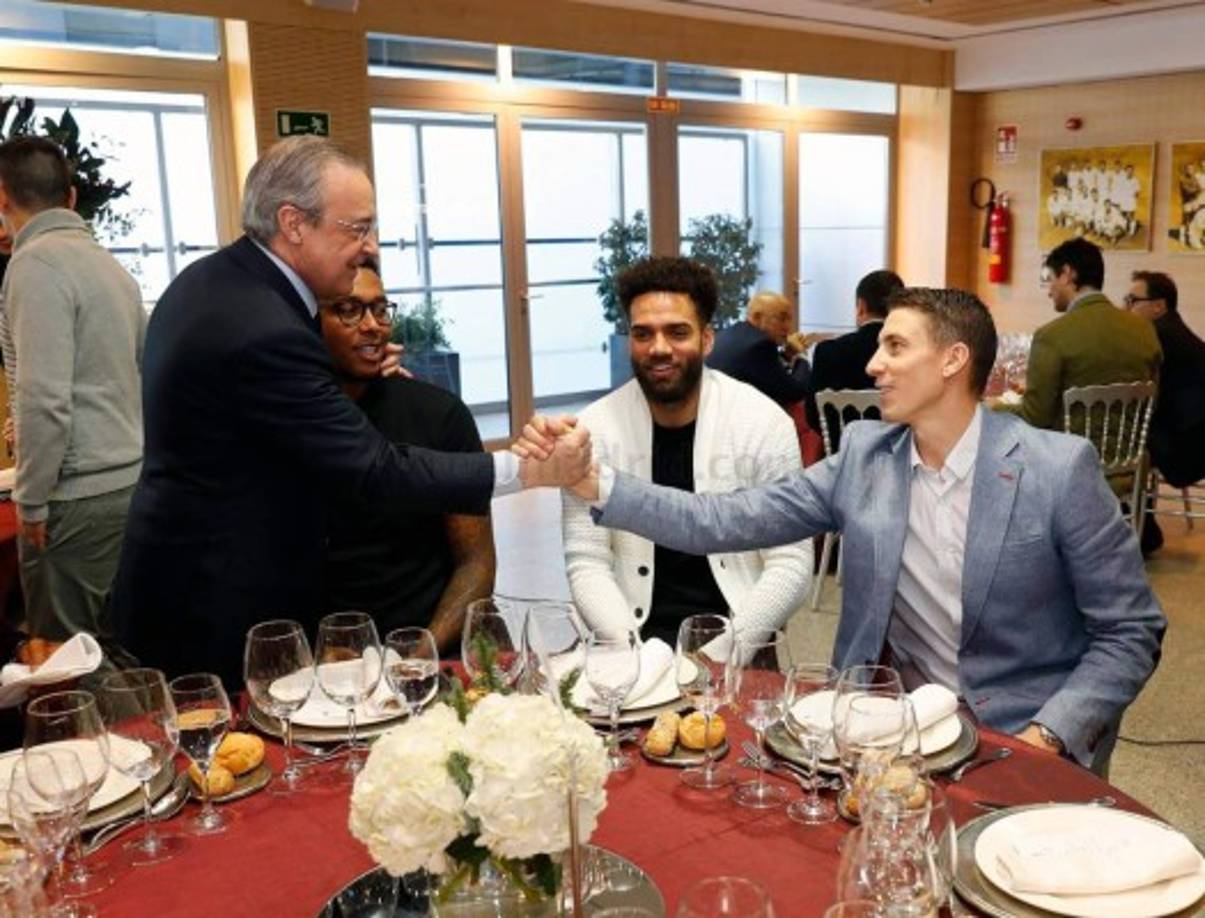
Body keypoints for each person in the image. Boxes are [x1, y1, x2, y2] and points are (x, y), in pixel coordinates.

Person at [523, 287, 1166, 774]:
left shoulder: (1056, 470)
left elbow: (1130, 631)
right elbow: (720, 519)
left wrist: (1048, 735)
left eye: (895, 347)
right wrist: (593, 482)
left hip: (1022, 733)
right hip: (888, 727)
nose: (874, 365)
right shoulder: (865, 457)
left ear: (953, 360)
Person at [111, 136, 588, 686]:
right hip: (213, 604)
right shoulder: (263, 326)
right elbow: (376, 470)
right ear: (293, 223)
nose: (370, 246)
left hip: (181, 580)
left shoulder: (215, 282)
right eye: (357, 228)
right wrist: (529, 470)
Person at [563, 257, 812, 646]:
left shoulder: (762, 423)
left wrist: (723, 655)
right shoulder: (592, 430)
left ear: (707, 339)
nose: (659, 348)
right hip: (627, 638)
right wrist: (631, 655)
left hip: (737, 637)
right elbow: (587, 560)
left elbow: (790, 561)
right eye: (643, 334)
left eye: (677, 332)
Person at [0, 136, 144, 665]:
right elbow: (135, 374)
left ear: (3, 199)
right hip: (127, 481)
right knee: (112, 648)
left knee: (63, 662)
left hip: (75, 494)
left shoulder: (35, 265)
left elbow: (44, 399)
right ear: (72, 196)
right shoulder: (110, 266)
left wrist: (31, 499)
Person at [320, 260, 494, 653]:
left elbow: (476, 562)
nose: (372, 325)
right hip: (327, 658)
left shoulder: (439, 415)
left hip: (431, 643)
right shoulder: (290, 425)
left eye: (380, 309)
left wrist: (421, 656)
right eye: (349, 310)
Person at [1000, 237, 1160, 433]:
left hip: (1071, 450)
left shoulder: (1050, 336)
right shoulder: (1145, 330)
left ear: (1067, 274)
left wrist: (993, 408)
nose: (1049, 291)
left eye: (1050, 279)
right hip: (1129, 449)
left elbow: (1035, 417)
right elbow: (1151, 403)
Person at [1125, 271, 1205, 552]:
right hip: (1194, 437)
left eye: (1132, 300)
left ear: (1159, 306)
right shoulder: (1176, 332)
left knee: (1116, 438)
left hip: (1185, 449)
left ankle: (1140, 531)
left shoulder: (1157, 339)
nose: (1126, 307)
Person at [805, 269, 903, 449]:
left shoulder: (828, 351)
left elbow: (813, 416)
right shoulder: (910, 354)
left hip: (842, 456)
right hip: (898, 457)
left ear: (861, 306)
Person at [706, 291, 816, 406]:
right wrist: (802, 355)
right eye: (782, 319)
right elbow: (795, 392)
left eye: (789, 320)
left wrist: (788, 354)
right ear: (757, 317)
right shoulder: (760, 345)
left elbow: (768, 373)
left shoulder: (733, 333)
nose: (788, 327)